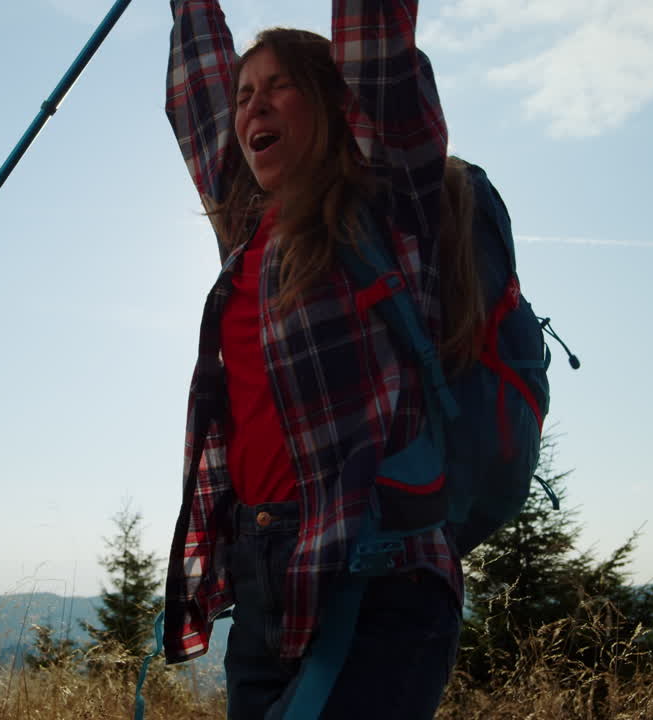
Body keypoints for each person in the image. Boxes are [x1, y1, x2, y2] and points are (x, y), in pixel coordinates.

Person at [162, 2, 482, 717]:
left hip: (375, 575)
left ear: (336, 103)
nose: (252, 107)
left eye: (278, 86)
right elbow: (198, 89)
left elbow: (377, 46)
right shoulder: (248, 225)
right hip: (263, 575)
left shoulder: (388, 205)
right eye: (246, 95)